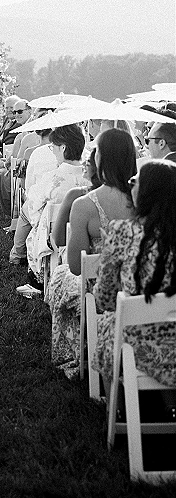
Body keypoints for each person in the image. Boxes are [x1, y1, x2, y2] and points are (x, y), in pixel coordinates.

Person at [46, 130, 136, 378]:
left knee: (61, 278)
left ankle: (80, 350)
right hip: (138, 288)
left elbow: (77, 267)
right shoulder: (145, 198)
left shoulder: (85, 203)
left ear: (100, 159)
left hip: (99, 292)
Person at [92, 160, 176, 391]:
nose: (130, 187)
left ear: (146, 191)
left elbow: (105, 299)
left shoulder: (123, 232)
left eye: (134, 181)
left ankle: (115, 410)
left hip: (138, 343)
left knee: (109, 322)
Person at [12, 124, 87, 296]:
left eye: (53, 147)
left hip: (53, 239)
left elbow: (33, 208)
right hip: (83, 237)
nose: (51, 151)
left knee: (36, 223)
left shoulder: (51, 181)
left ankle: (38, 281)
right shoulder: (91, 179)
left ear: (63, 148)